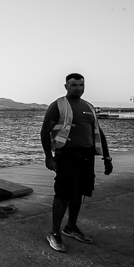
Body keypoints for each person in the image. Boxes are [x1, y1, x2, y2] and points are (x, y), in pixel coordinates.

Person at [40, 73, 113, 252]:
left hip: (87, 157)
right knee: (63, 194)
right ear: (66, 87)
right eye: (74, 85)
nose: (78, 88)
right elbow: (44, 131)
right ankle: (54, 233)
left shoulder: (89, 107)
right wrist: (49, 157)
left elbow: (98, 132)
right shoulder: (58, 106)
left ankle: (71, 227)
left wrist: (107, 157)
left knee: (79, 192)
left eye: (81, 85)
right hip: (67, 155)